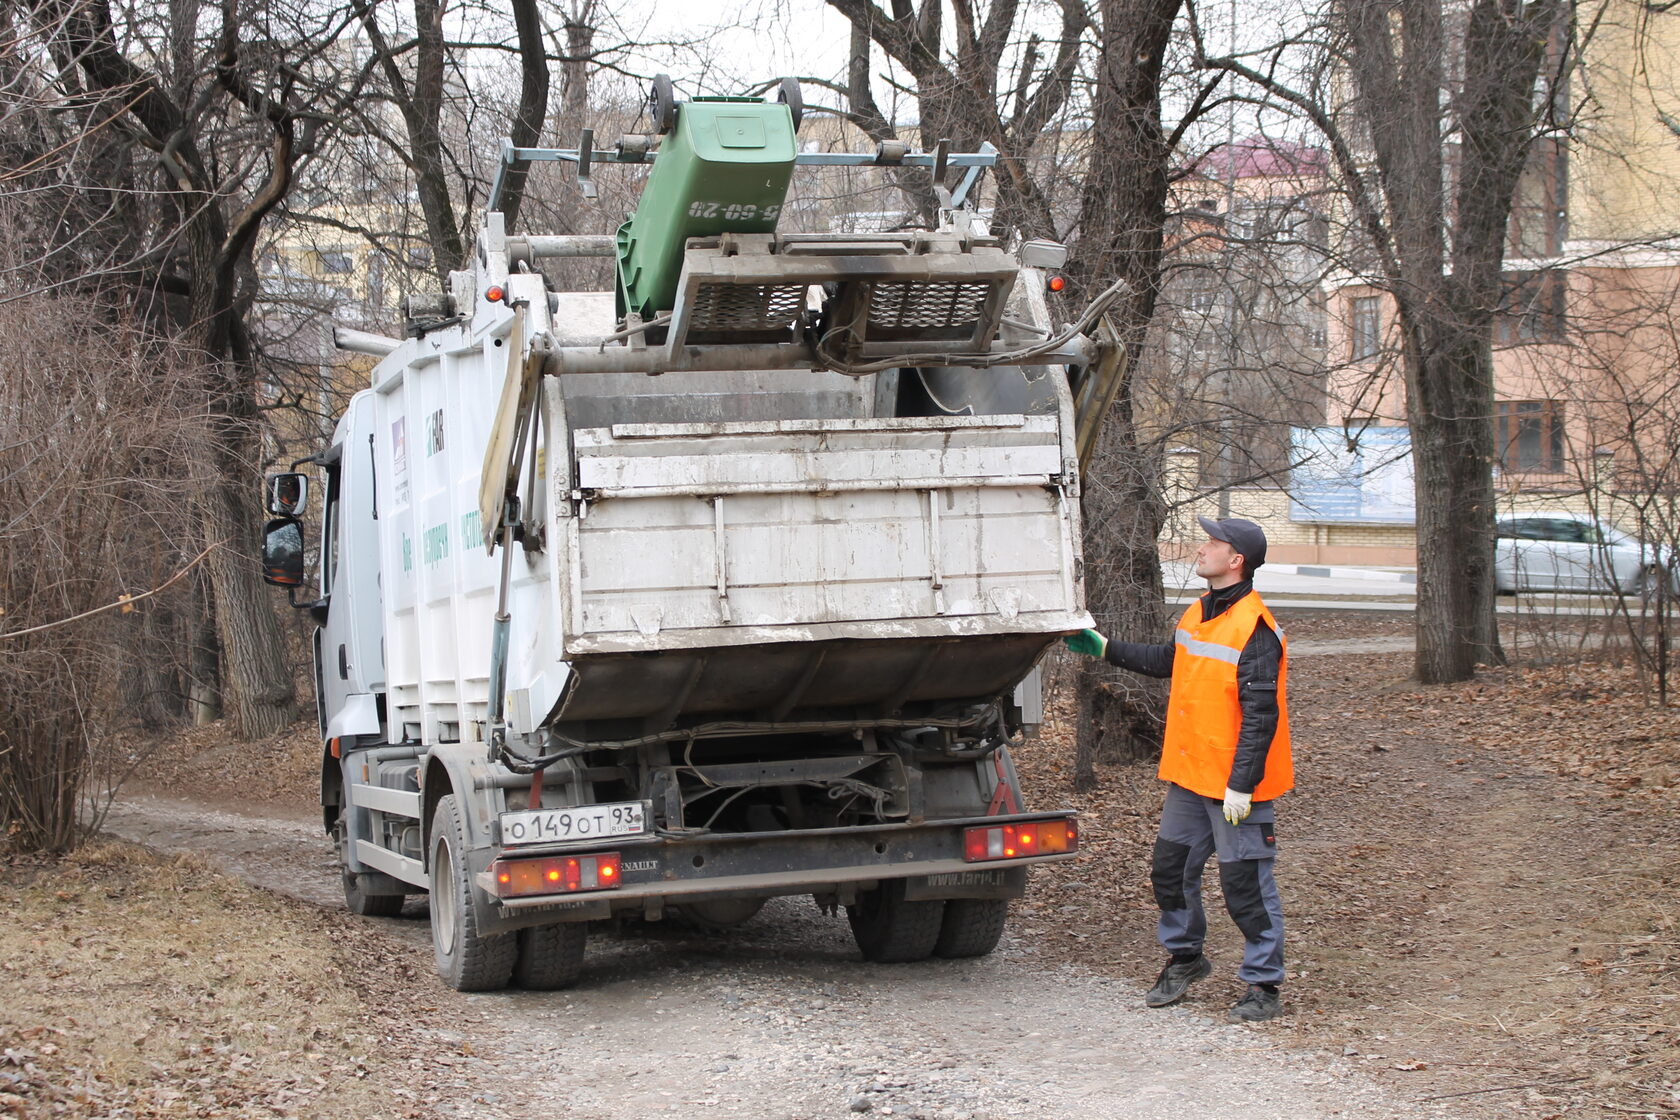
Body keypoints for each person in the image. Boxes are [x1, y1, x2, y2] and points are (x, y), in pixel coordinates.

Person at [1064, 516, 1292, 1023]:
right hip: (1191, 777)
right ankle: (1187, 958)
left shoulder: (1255, 629)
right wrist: (1105, 647)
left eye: (1213, 543)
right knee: (1170, 873)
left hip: (1234, 786)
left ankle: (1263, 985)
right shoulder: (1199, 611)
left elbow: (1262, 718)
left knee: (1246, 887)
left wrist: (1242, 786)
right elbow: (1169, 660)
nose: (1201, 549)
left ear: (1236, 560)